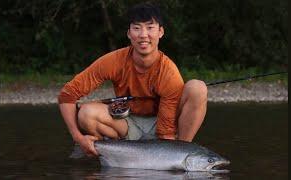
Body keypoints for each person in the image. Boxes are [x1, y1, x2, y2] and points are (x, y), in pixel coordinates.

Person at [58, 2, 207, 157]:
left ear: (161, 32)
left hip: (163, 124)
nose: (143, 35)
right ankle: (111, 152)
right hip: (127, 123)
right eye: (137, 28)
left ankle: (182, 152)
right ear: (129, 33)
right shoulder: (114, 61)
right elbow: (67, 95)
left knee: (198, 88)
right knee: (86, 113)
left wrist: (166, 145)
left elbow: (166, 131)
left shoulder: (169, 72)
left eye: (150, 28)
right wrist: (78, 137)